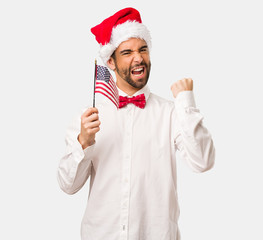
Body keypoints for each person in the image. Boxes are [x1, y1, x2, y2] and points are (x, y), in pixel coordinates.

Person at [57, 7, 215, 240]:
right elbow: (68, 186)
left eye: (143, 50)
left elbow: (203, 161)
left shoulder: (171, 113)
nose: (138, 58)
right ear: (110, 61)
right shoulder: (89, 117)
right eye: (127, 52)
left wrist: (186, 103)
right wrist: (84, 142)